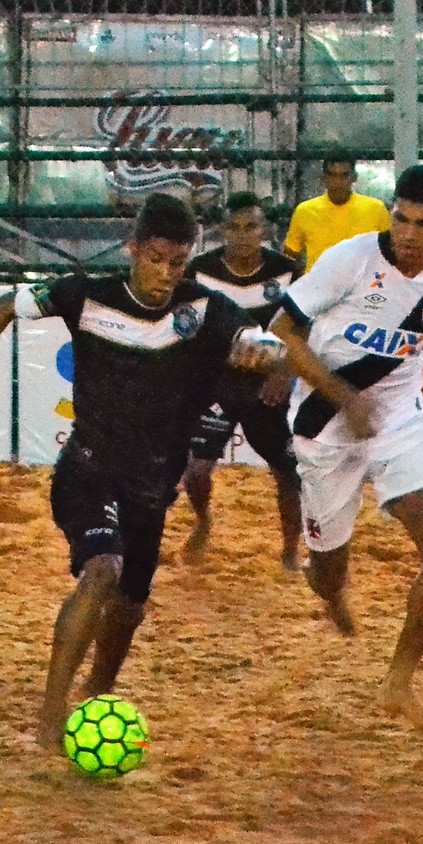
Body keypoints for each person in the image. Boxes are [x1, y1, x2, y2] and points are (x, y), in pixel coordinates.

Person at [0, 193, 282, 748]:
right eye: (156, 258)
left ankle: (98, 690)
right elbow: (4, 305)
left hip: (154, 484)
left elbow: (251, 336)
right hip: (88, 469)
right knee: (102, 571)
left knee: (130, 606)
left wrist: (263, 348)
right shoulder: (84, 294)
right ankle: (48, 719)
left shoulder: (202, 310)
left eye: (178, 262)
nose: (166, 273)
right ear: (133, 248)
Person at [268, 164, 423, 731]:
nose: (408, 233)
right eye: (400, 218)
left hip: (398, 418)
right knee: (326, 572)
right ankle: (332, 590)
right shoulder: (349, 260)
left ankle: (397, 683)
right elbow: (282, 328)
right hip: (325, 423)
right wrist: (343, 395)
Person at [179, 191, 304, 570]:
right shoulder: (199, 271)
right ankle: (203, 521)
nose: (243, 235)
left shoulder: (286, 272)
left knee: (287, 470)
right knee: (197, 471)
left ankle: (289, 551)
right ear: (221, 231)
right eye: (234, 228)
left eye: (251, 227)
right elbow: (184, 324)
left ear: (264, 229)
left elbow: (307, 325)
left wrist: (286, 372)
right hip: (217, 383)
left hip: (266, 386)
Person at [282, 153, 391, 273]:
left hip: (362, 287)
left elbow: (391, 251)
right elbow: (290, 255)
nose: (337, 182)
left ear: (354, 178)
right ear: (323, 178)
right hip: (318, 287)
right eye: (332, 175)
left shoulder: (375, 209)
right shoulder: (305, 211)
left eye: (344, 175)